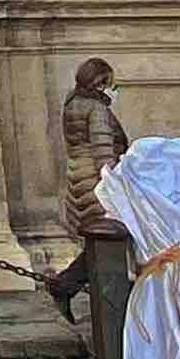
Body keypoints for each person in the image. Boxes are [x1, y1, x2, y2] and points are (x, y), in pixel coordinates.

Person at [44, 58, 128, 325]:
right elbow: (103, 149)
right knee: (109, 241)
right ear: (100, 83)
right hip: (95, 180)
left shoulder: (72, 104)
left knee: (98, 244)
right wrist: (114, 184)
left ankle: (67, 286)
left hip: (78, 177)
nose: (113, 89)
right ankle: (66, 285)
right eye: (110, 83)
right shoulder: (96, 109)